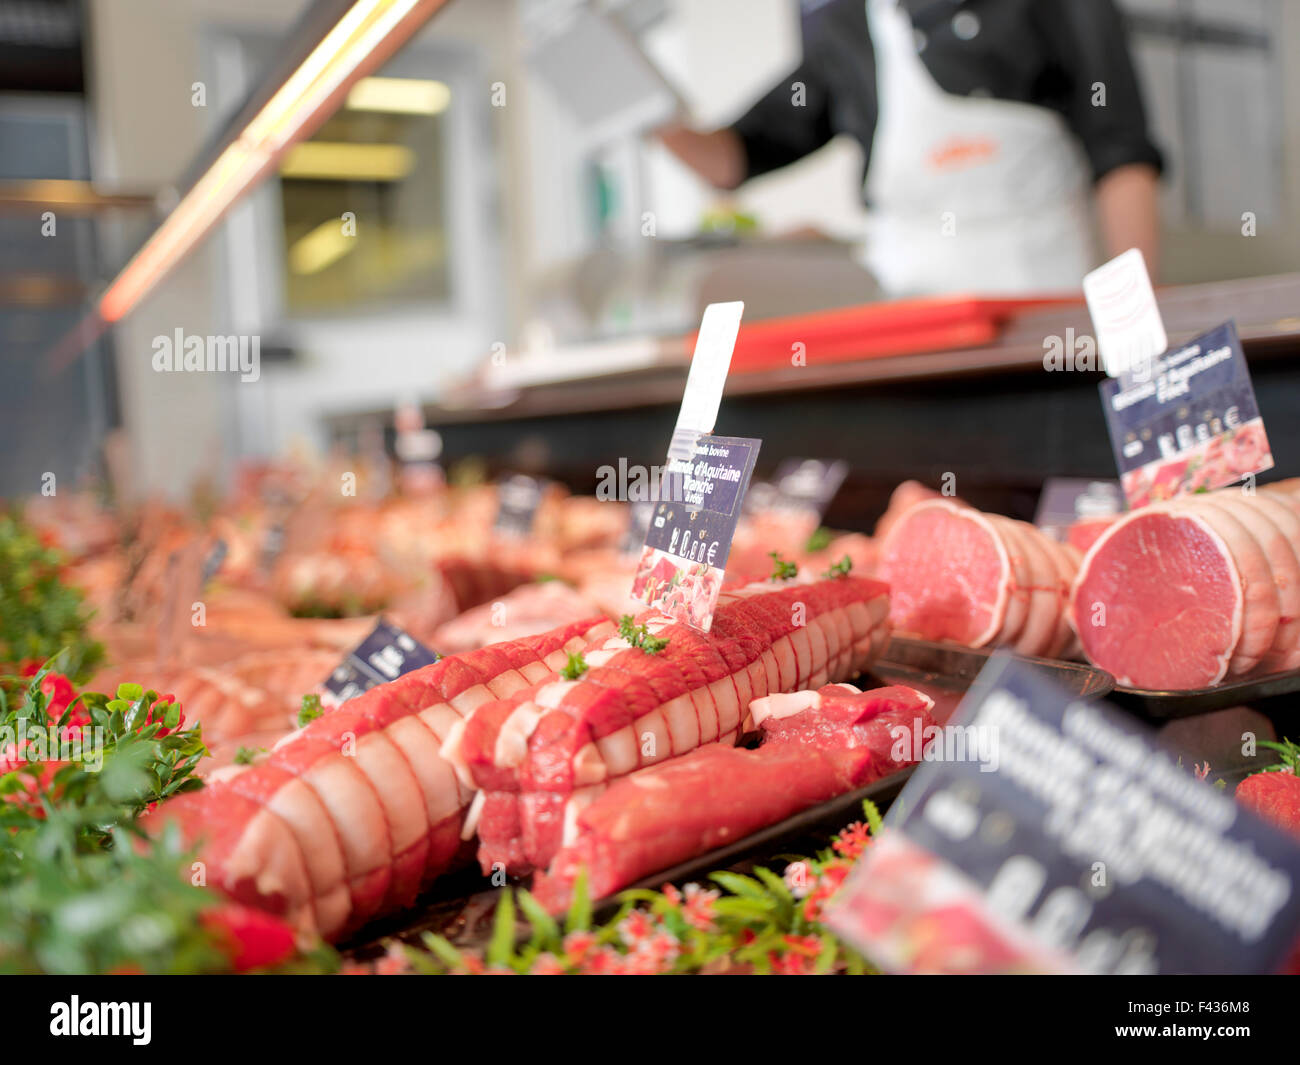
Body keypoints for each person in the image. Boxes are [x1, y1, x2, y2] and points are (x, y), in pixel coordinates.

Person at [659, 0, 1163, 296]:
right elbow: (732, 159)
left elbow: (1122, 162)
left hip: (1047, 315)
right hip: (908, 328)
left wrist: (1136, 328)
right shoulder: (847, 27)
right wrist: (645, 112)